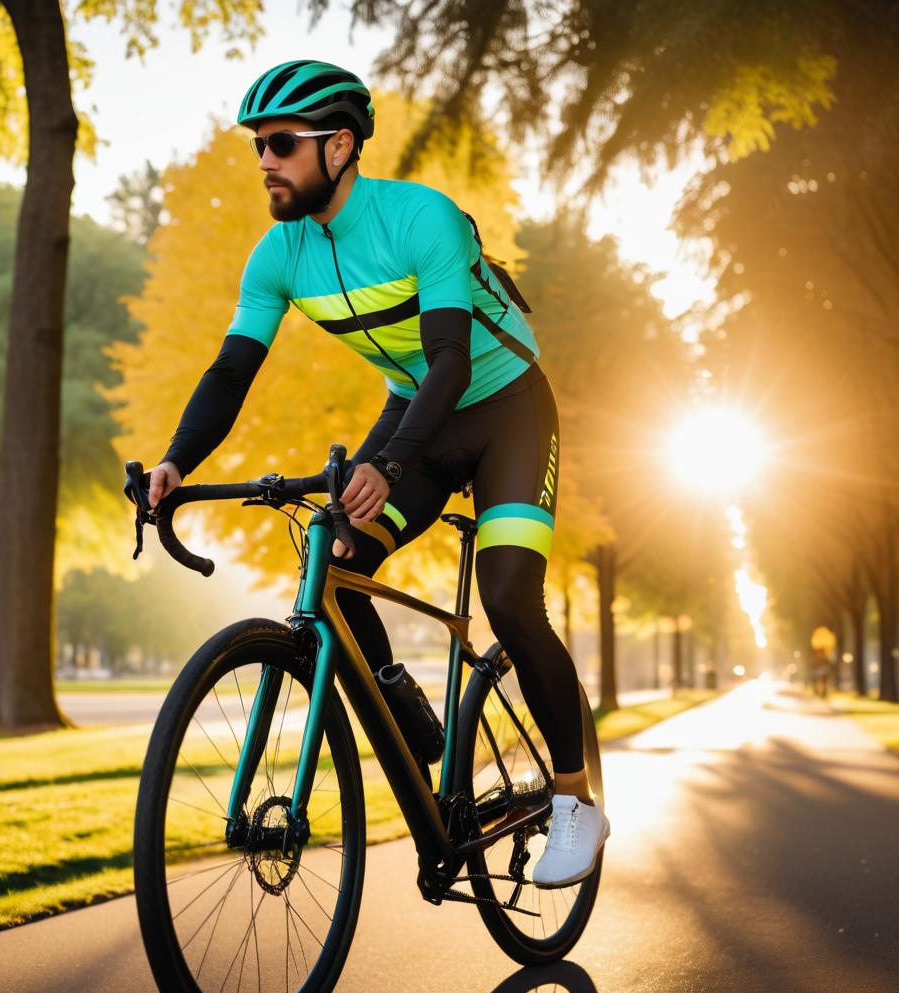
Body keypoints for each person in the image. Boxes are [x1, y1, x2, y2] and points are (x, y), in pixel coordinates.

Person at [146, 59, 609, 887]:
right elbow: (231, 371)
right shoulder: (279, 254)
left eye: (282, 143)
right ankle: (419, 733)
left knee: (507, 596)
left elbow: (450, 360)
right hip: (417, 407)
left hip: (502, 405)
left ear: (342, 145)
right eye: (259, 145)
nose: (265, 161)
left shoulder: (419, 219)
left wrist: (390, 465)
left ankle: (576, 803)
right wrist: (179, 460)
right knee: (336, 558)